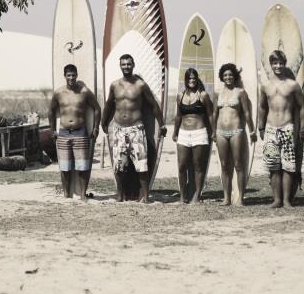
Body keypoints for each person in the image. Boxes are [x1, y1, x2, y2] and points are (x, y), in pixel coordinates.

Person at [100, 54, 166, 203]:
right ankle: (120, 195)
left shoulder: (140, 85)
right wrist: (103, 122)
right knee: (119, 166)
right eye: (123, 64)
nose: (126, 67)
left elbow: (153, 105)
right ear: (120, 66)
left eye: (128, 64)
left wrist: (162, 124)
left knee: (141, 164)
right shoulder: (115, 85)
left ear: (133, 65)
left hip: (136, 129)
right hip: (118, 129)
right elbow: (109, 104)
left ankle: (145, 196)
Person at [257, 50, 304, 208]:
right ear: (271, 65)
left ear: (284, 64)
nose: (278, 66)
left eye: (280, 63)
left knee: (288, 166)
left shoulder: (293, 85)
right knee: (274, 166)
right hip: (271, 129)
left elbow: (302, 107)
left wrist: (302, 128)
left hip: (287, 128)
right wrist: (261, 127)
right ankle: (277, 199)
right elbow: (262, 107)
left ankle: (286, 200)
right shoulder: (266, 86)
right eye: (275, 63)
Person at [48, 64, 101, 200]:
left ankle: (83, 195)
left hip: (80, 133)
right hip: (63, 133)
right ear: (64, 76)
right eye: (68, 75)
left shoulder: (84, 92)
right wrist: (52, 129)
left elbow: (97, 109)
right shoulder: (59, 93)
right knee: (65, 167)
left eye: (73, 75)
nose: (71, 78)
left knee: (82, 166)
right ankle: (67, 195)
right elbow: (51, 111)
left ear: (77, 75)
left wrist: (96, 128)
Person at [213, 63, 257, 206]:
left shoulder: (240, 92)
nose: (228, 77)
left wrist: (252, 131)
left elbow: (247, 113)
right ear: (222, 77)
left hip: (236, 131)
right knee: (224, 165)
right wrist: (213, 131)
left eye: (230, 74)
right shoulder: (217, 93)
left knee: (238, 165)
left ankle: (240, 198)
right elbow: (214, 114)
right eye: (225, 75)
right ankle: (226, 198)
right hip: (220, 132)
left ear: (235, 76)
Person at [172, 67, 214, 204]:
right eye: (189, 78)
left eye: (194, 78)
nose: (192, 80)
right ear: (185, 80)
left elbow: (210, 114)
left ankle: (197, 196)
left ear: (197, 79)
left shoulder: (203, 95)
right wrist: (175, 132)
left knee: (198, 166)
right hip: (183, 133)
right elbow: (178, 116)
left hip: (199, 133)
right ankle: (182, 196)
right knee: (181, 166)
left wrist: (213, 131)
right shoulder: (180, 95)